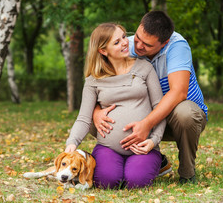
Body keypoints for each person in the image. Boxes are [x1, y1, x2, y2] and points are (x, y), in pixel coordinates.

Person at [93, 11, 208, 184]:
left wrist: (147, 124)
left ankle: (187, 172)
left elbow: (178, 93)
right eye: (137, 37)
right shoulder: (127, 45)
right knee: (95, 118)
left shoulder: (178, 46)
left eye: (146, 45)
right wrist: (96, 112)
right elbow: (100, 84)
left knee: (185, 113)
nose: (137, 46)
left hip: (181, 119)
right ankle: (151, 160)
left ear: (164, 43)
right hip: (146, 117)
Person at [64, 23, 166, 189]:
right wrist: (72, 143)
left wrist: (153, 141)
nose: (125, 42)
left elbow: (159, 108)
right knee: (106, 182)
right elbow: (83, 118)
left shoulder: (144, 67)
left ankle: (158, 163)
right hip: (108, 148)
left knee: (136, 182)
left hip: (143, 146)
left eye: (124, 37)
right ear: (103, 51)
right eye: (117, 42)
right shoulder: (93, 80)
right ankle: (111, 166)